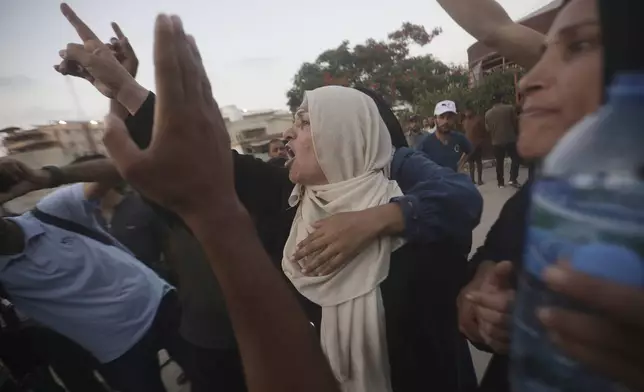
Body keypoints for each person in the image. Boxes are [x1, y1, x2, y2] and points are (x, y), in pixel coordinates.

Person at [49, 5, 482, 391]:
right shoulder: (287, 204)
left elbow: (461, 211)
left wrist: (383, 220)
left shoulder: (425, 233)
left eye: (306, 121)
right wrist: (124, 87)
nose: (289, 132)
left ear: (346, 136)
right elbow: (211, 161)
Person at [439, 0, 644, 391]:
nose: (526, 82)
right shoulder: (547, 192)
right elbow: (490, 264)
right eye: (544, 51)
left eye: (580, 46)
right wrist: (478, 302)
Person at [0, 157, 187, 392]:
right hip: (117, 349)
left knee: (220, 380)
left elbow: (118, 169)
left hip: (160, 304)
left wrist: (43, 177)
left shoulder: (51, 212)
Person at [418, 100, 472, 172]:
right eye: (442, 117)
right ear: (435, 119)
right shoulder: (426, 144)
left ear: (454, 119)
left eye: (449, 117)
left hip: (455, 181)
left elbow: (469, 150)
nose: (445, 121)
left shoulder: (459, 138)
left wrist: (461, 164)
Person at [484, 98, 520, 188]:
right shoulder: (509, 108)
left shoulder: (488, 114)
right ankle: (513, 178)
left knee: (499, 162)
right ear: (502, 99)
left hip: (496, 141)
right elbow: (515, 122)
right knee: (515, 158)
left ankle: (500, 183)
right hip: (510, 139)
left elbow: (487, 129)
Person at [462, 108, 486, 185]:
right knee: (472, 163)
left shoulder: (474, 120)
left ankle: (478, 179)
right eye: (466, 112)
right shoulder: (466, 121)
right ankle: (474, 180)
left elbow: (483, 130)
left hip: (476, 144)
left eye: (468, 111)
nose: (467, 113)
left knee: (477, 162)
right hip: (472, 144)